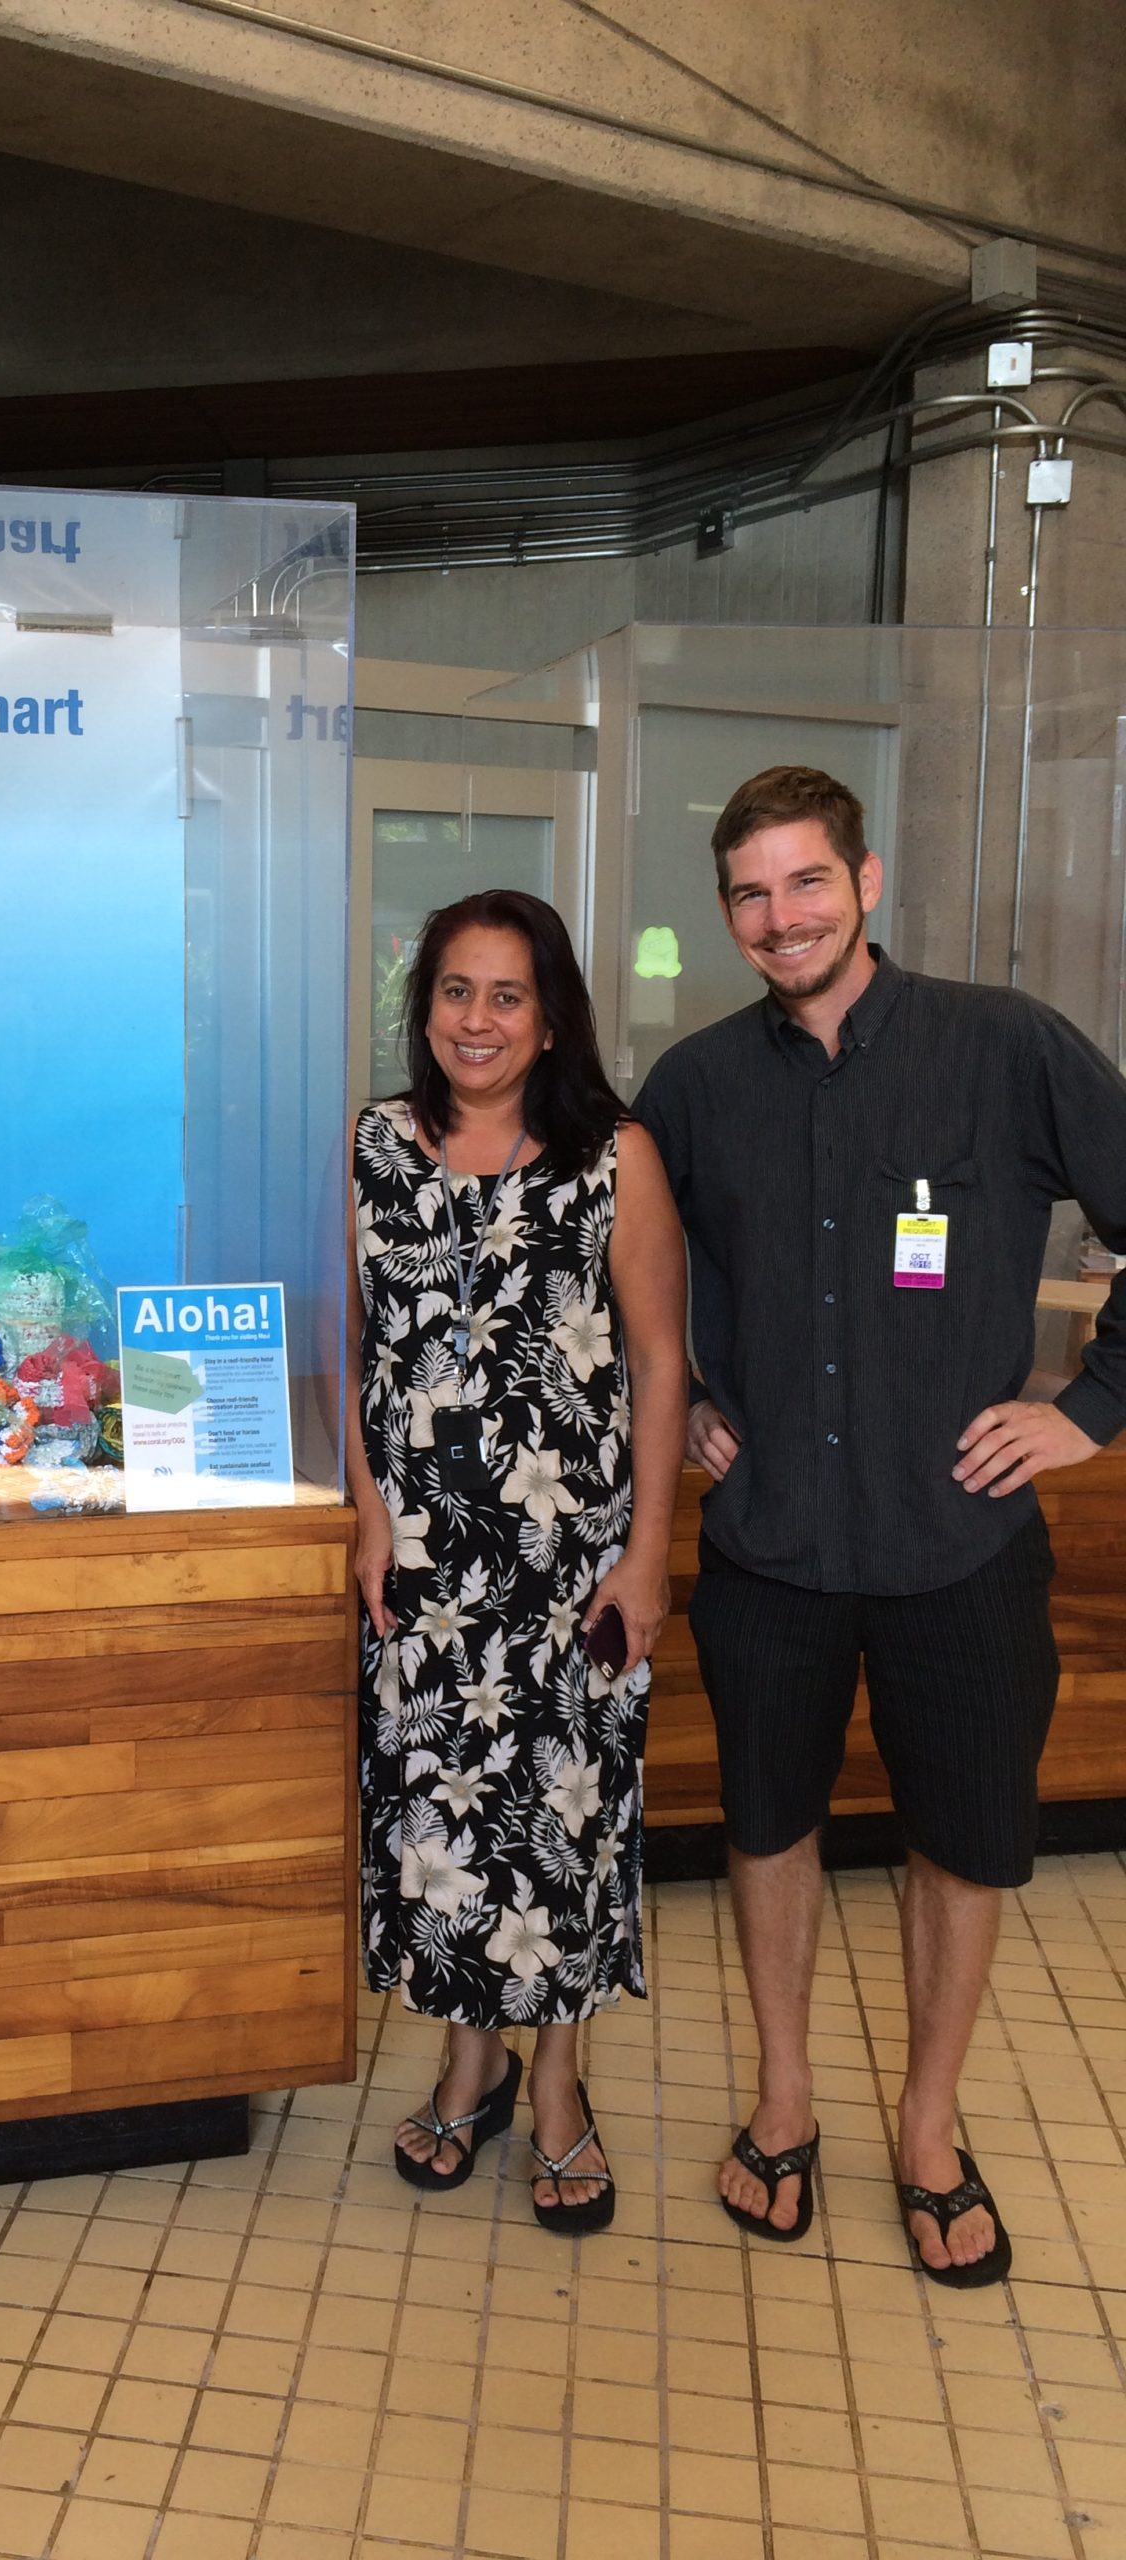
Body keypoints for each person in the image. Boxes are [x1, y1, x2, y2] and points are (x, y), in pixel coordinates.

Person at [634, 765, 1126, 2288]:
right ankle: (784, 2101)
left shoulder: (1006, 1047)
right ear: (727, 913)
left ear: (867, 880)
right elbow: (627, 1284)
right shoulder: (696, 1087)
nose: (780, 917)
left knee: (961, 1846)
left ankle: (927, 2126)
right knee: (766, 1826)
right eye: (750, 892)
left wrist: (1091, 1408)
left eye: (806, 881)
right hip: (773, 1542)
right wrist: (690, 1397)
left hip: (958, 1541)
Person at [350, 890, 687, 2229]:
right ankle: (467, 2058)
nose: (478, 1020)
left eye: (508, 996)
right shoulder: (374, 1146)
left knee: (563, 1826)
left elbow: (658, 1362)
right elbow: (357, 1347)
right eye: (455, 992)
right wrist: (368, 1516)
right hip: (425, 1567)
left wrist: (649, 1556)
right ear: (423, 1007)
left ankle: (556, 2084)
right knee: (442, 1821)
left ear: (551, 1020)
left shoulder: (615, 1155)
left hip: (570, 1565)